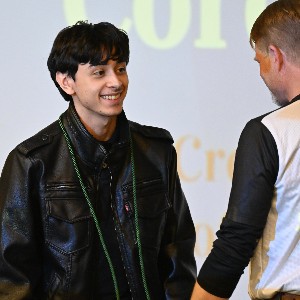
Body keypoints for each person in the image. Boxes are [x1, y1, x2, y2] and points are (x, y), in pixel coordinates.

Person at [0, 21, 197, 299]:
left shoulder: (156, 151)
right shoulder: (32, 162)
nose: (116, 82)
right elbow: (11, 277)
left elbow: (177, 252)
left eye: (121, 69)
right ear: (66, 81)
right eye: (99, 72)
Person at [191, 0, 300, 299]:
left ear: (276, 56)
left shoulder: (270, 131)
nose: (262, 73)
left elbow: (239, 237)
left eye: (259, 60)